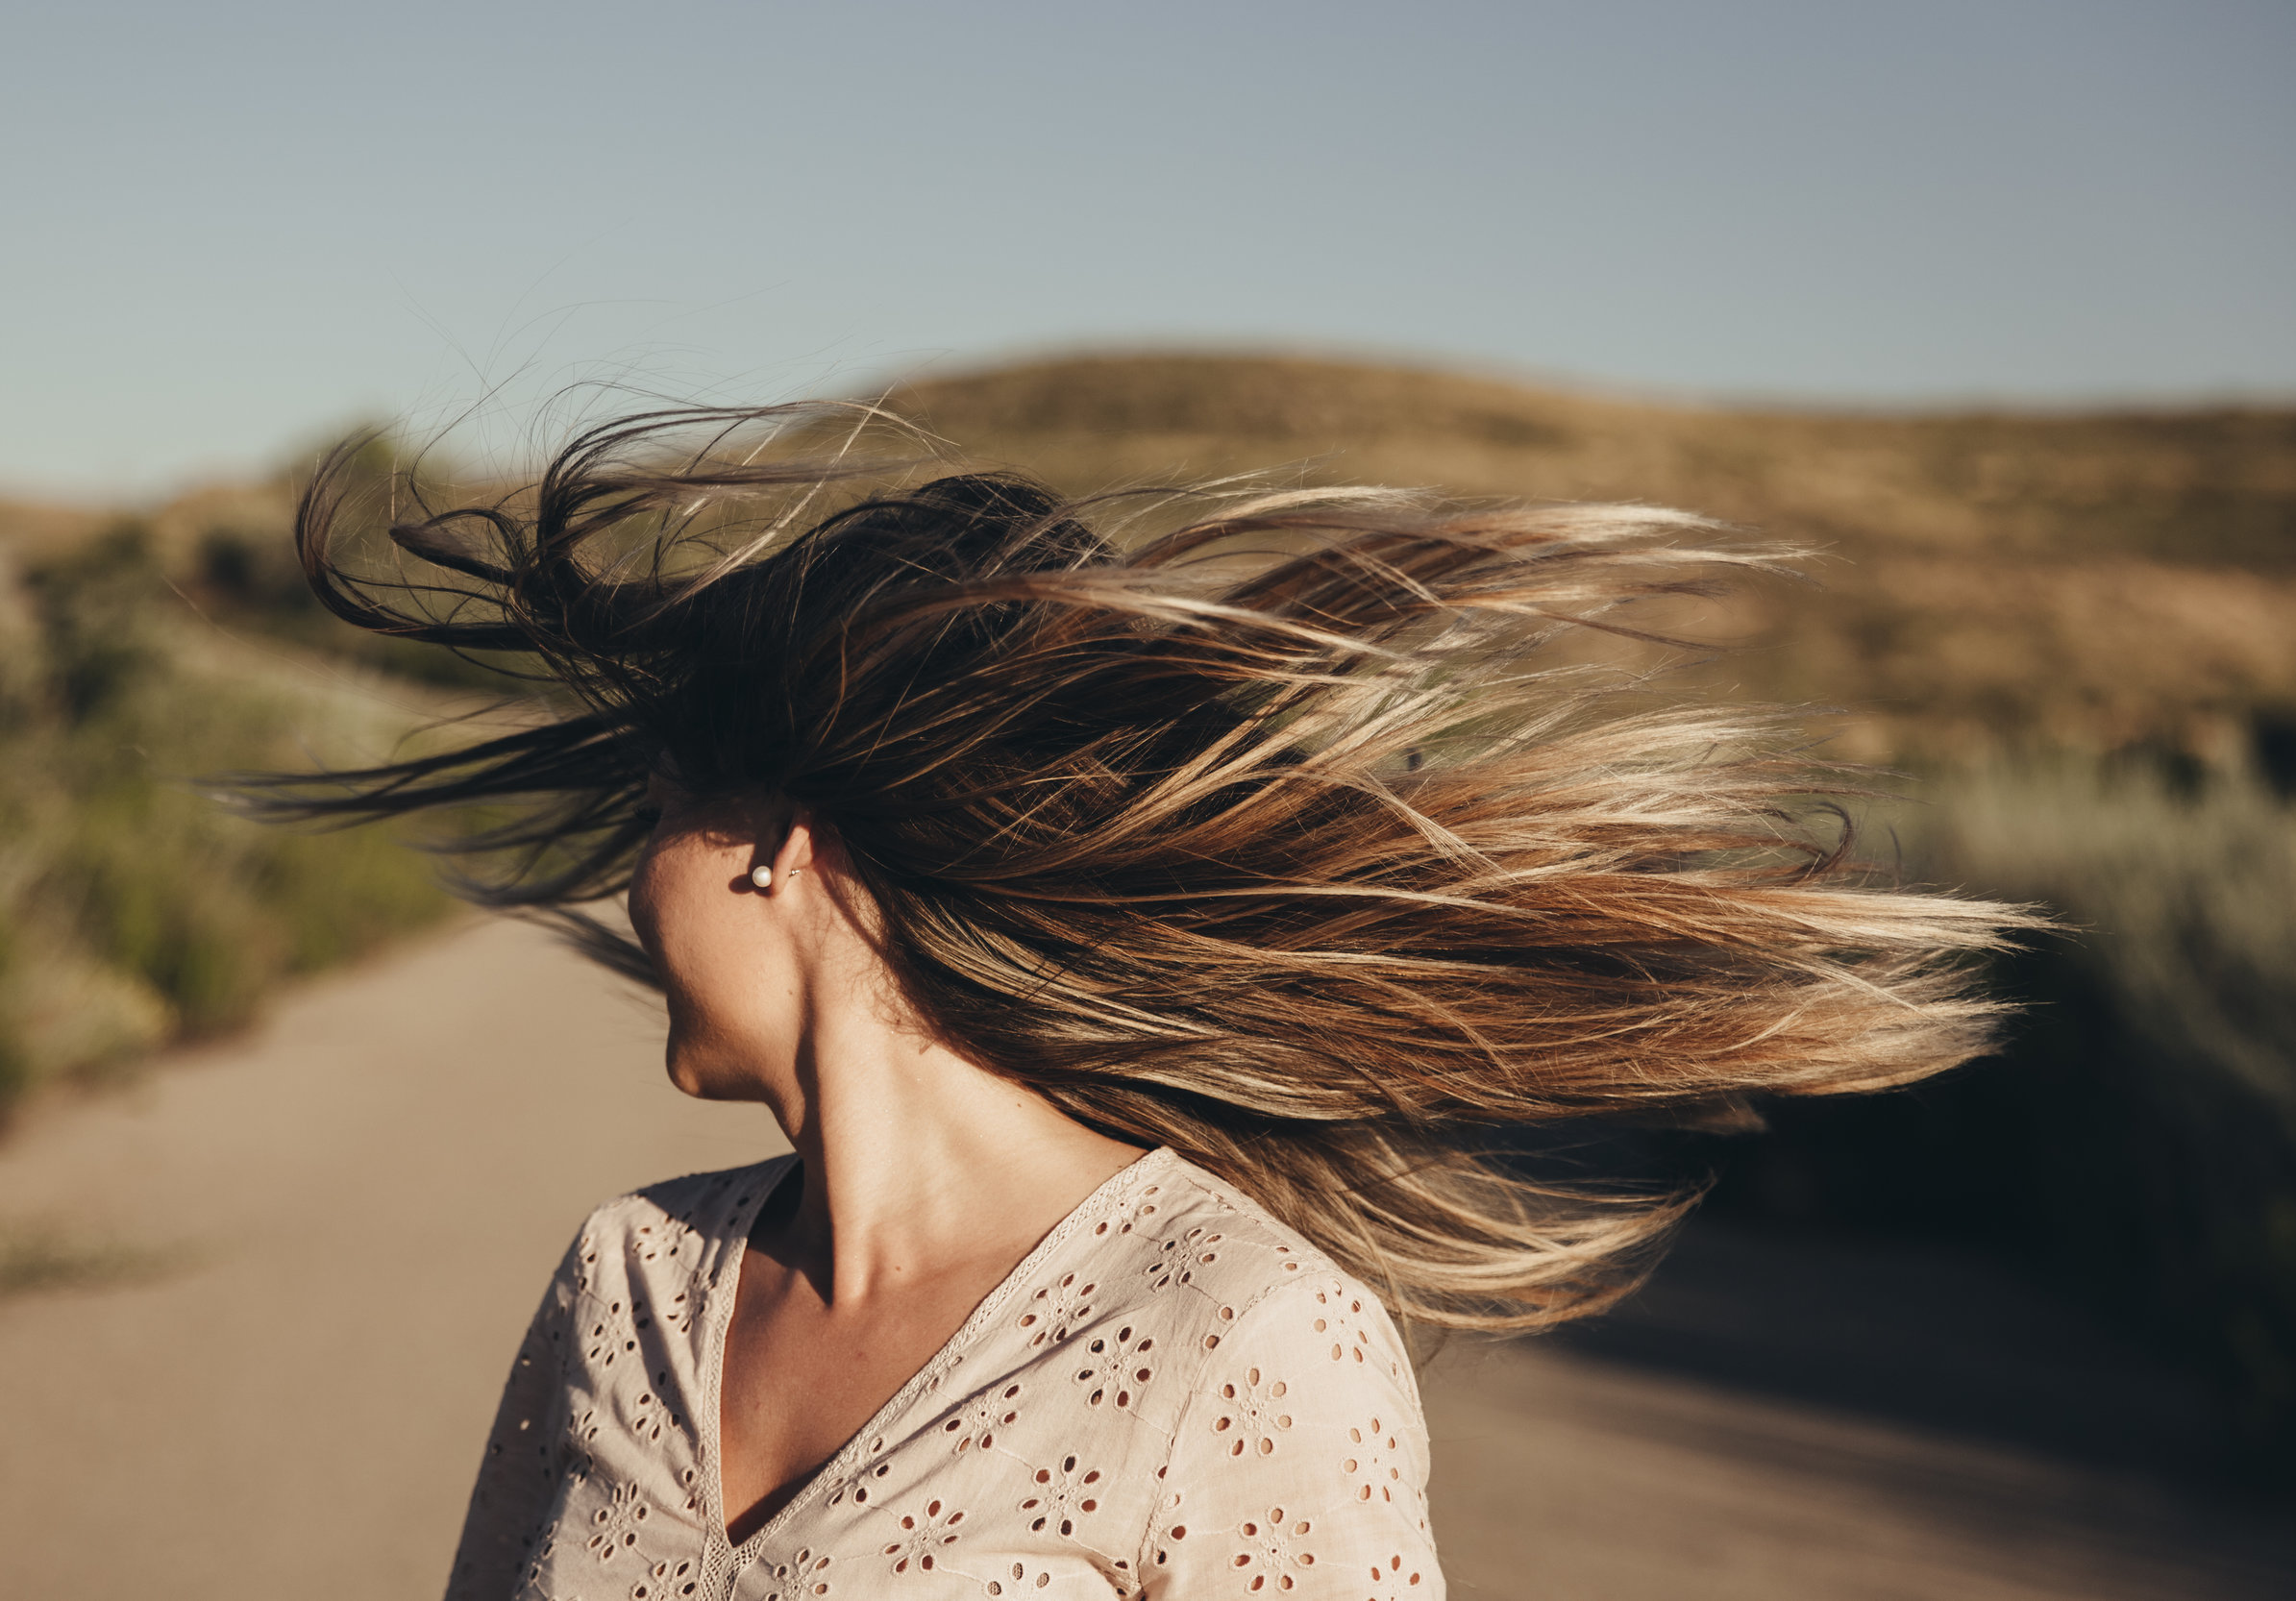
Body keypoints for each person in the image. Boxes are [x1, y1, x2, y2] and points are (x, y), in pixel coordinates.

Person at [252, 403, 2023, 1601]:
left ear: (778, 847)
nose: (627, 885)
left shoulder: (1236, 1333)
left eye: (652, 813)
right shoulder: (625, 1282)